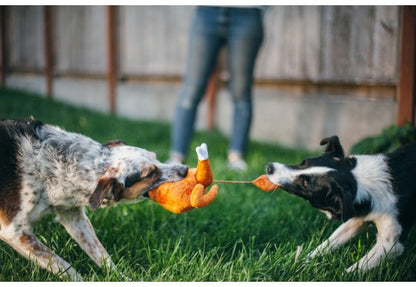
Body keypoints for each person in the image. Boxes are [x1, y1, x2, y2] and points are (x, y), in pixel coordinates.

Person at [169, 6, 265, 171]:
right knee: (191, 90)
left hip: (249, 13)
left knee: (241, 92)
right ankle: (176, 157)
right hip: (207, 12)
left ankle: (236, 157)